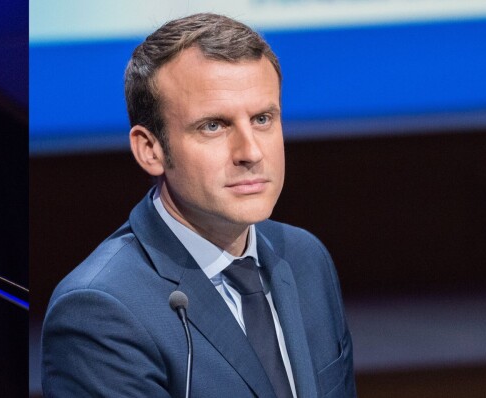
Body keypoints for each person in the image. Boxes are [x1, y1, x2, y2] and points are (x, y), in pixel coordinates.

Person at [42, 13, 355, 398]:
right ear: (150, 149)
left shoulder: (306, 258)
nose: (251, 152)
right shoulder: (99, 310)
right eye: (213, 126)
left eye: (262, 118)